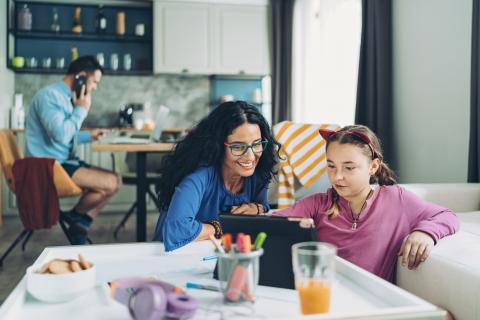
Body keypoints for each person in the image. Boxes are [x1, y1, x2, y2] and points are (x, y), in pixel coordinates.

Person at [250, 125, 459, 283]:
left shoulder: (397, 199)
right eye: (331, 166)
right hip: (325, 296)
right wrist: (269, 218)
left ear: (373, 166)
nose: (337, 176)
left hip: (370, 303)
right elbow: (268, 226)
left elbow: (447, 216)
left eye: (349, 168)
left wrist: (425, 233)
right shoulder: (316, 204)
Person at [153, 101, 281, 251]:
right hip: (171, 254)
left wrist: (257, 208)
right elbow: (178, 231)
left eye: (257, 144)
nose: (251, 156)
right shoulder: (200, 175)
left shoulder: (259, 171)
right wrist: (223, 225)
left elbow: (263, 205)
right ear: (218, 146)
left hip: (213, 252)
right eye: (238, 147)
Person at [25, 55, 122, 245]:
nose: (94, 87)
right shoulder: (49, 97)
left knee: (117, 180)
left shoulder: (69, 98)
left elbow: (65, 134)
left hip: (65, 162)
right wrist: (82, 110)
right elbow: (61, 135)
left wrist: (89, 136)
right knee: (109, 183)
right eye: (94, 82)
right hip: (49, 166)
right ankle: (75, 217)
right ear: (81, 76)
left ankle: (81, 224)